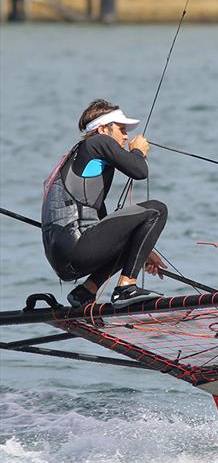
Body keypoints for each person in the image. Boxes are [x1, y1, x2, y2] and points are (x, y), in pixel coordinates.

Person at [41, 99, 168, 308]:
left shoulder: (81, 157)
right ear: (102, 129)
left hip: (62, 258)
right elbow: (139, 171)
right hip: (77, 248)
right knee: (157, 209)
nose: (126, 136)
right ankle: (126, 288)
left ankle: (85, 292)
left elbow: (106, 226)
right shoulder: (98, 142)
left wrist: (142, 250)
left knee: (129, 228)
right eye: (121, 129)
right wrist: (137, 151)